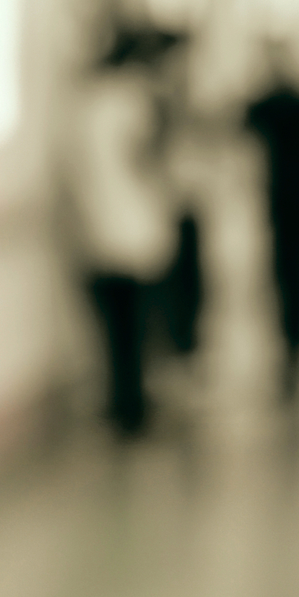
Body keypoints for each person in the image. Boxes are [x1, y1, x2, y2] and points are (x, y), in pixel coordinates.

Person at [72, 28, 179, 437]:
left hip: (96, 227)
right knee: (137, 325)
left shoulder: (87, 101)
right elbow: (148, 160)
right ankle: (134, 408)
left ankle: (123, 402)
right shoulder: (136, 101)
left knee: (116, 328)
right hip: (134, 228)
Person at [245, 70, 299, 395]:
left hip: (289, 202)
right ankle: (293, 335)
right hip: (294, 202)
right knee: (294, 274)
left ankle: (292, 335)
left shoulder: (288, 108)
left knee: (290, 272)